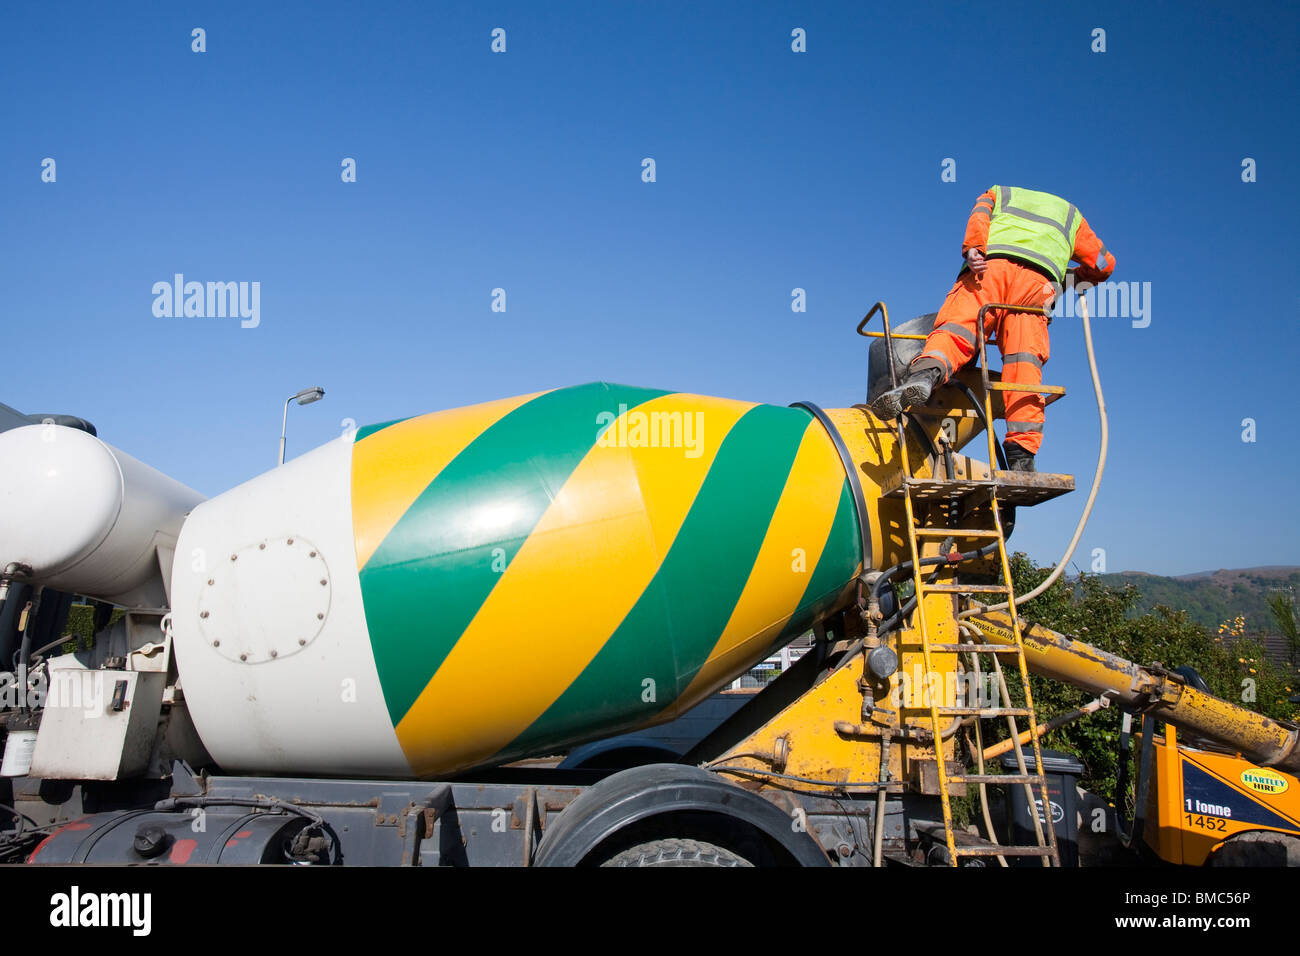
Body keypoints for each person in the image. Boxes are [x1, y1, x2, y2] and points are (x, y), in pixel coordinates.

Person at [870, 185, 1115, 472]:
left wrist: (973, 249)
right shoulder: (1071, 216)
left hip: (987, 269)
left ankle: (924, 375)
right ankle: (1021, 456)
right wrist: (1070, 278)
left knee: (956, 330)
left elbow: (979, 214)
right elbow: (1103, 264)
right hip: (1037, 286)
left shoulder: (1001, 193)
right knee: (1023, 365)